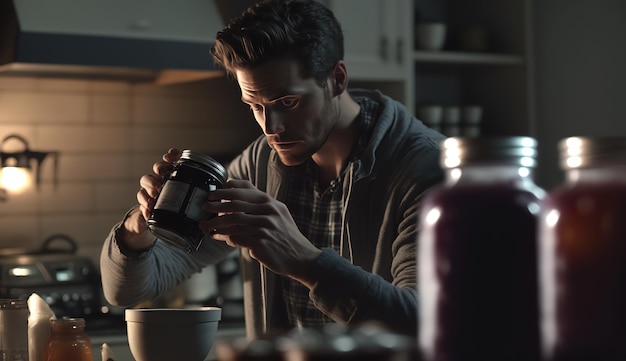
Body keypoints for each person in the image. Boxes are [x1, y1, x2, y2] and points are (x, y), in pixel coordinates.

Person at [100, 0, 445, 339]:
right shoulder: (259, 163)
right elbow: (127, 292)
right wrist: (140, 224)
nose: (271, 128)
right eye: (255, 106)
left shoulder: (429, 172)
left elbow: (426, 322)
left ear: (337, 79)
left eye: (288, 103)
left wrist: (305, 261)